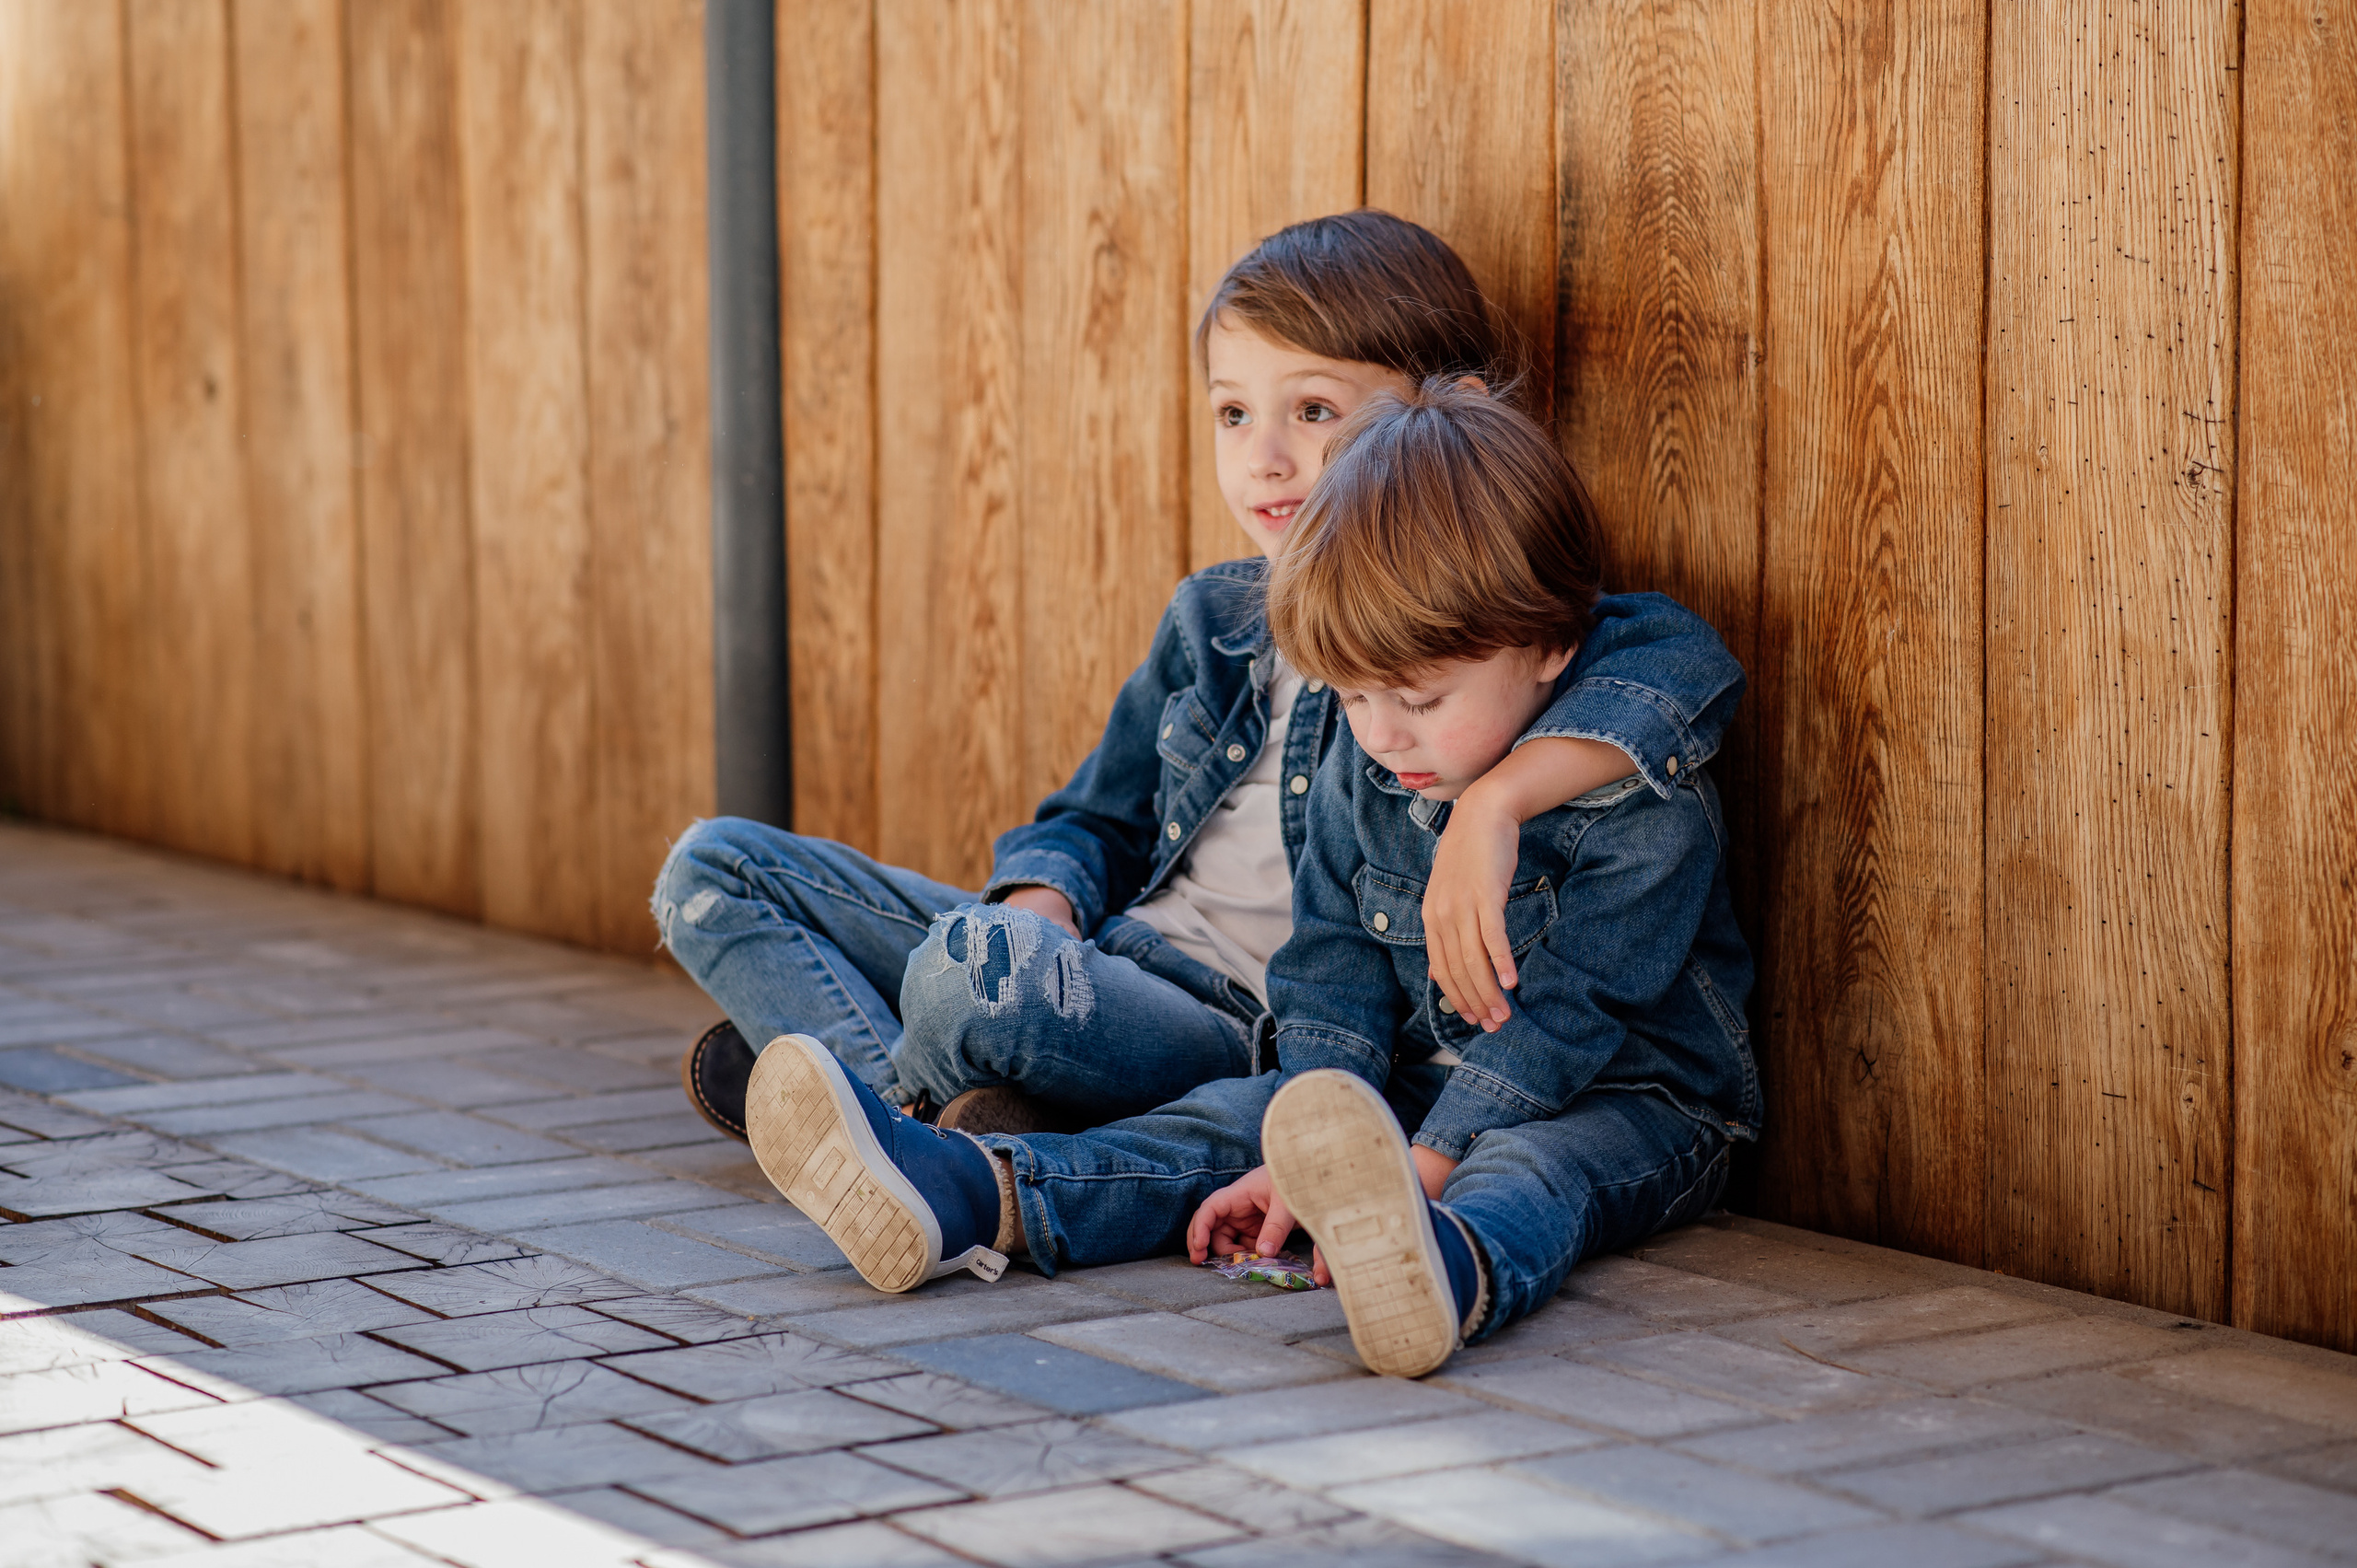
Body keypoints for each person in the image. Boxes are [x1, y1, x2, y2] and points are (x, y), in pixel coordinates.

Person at [744, 380, 1759, 1379]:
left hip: (1633, 1099)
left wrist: (1429, 1159)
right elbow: (1332, 960)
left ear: (1547, 646)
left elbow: (1575, 1018)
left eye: (1417, 696)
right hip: (1414, 1085)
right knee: (1225, 1127)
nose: (1380, 732)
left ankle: (1443, 1268)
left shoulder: (1640, 807)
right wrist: (1304, 1130)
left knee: (1532, 1168)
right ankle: (966, 1190)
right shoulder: (1372, 759)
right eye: (1353, 696)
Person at [655, 210, 1738, 1142]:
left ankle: (873, 1105)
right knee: (713, 869)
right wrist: (1045, 901)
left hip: (1238, 1020)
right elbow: (1093, 815)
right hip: (1101, 963)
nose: (1262, 457)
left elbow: (1678, 660)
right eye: (1233, 412)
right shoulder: (1213, 617)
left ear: (1438, 414)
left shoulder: (1479, 622)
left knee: (967, 975)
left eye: (1312, 411)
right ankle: (931, 1103)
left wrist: (1498, 798)